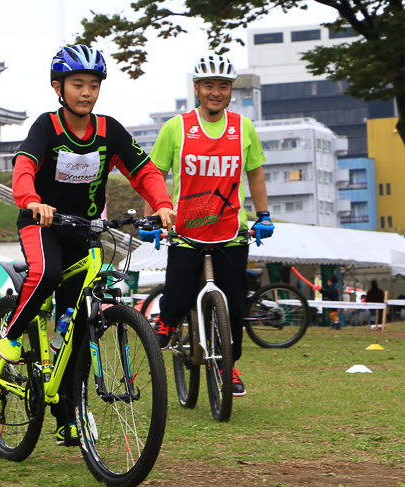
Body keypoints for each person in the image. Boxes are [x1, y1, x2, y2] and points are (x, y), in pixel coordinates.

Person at [0, 44, 175, 446]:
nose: (87, 92)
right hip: (41, 223)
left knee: (78, 324)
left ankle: (67, 417)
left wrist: (162, 203)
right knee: (48, 272)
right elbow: (23, 166)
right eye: (78, 84)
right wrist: (32, 201)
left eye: (94, 85)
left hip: (85, 232)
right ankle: (9, 337)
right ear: (58, 87)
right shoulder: (47, 126)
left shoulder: (109, 130)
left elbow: (144, 170)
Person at [141, 54, 273, 398]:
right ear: (197, 89)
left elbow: (255, 173)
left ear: (231, 90)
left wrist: (264, 215)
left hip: (231, 232)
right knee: (179, 293)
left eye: (224, 86)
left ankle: (229, 366)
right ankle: (168, 322)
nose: (217, 92)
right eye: (209, 86)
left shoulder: (243, 127)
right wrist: (154, 218)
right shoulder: (177, 127)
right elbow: (154, 176)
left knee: (233, 305)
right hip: (187, 230)